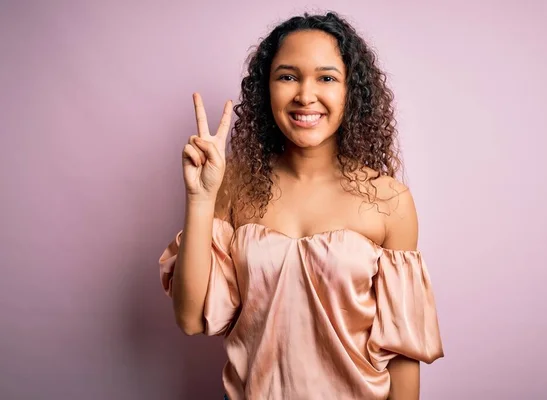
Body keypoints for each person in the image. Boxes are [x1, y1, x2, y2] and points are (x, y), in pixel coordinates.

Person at [159, 11, 444, 400]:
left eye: (326, 78)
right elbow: (191, 319)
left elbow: (403, 352)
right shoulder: (233, 186)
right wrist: (200, 198)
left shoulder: (389, 201)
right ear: (267, 89)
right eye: (288, 76)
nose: (305, 95)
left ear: (351, 92)